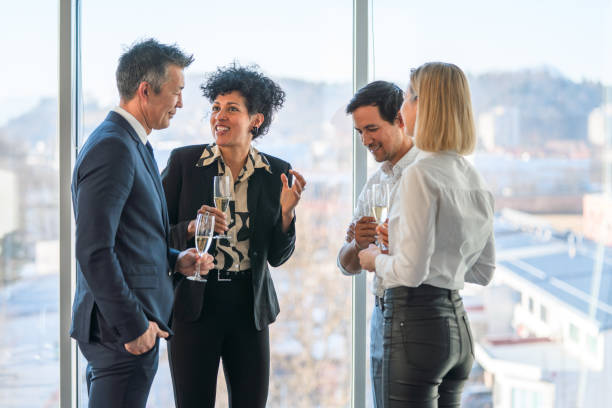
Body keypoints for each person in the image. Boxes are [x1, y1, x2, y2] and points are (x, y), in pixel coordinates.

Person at [71, 39, 213, 408]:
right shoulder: (113, 147)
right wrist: (135, 326)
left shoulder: (132, 143)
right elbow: (93, 249)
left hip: (127, 330)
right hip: (123, 333)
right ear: (145, 91)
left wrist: (173, 259)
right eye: (176, 92)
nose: (181, 103)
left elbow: (129, 238)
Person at [162, 63, 306, 408]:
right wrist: (190, 229)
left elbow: (276, 256)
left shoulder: (276, 173)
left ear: (255, 119)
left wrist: (287, 213)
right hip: (195, 305)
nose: (219, 117)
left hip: (249, 307)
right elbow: (154, 232)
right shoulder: (184, 163)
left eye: (231, 109)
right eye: (215, 108)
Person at [358, 62, 496, 408]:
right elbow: (483, 270)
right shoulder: (473, 177)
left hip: (414, 327)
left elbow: (410, 272)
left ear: (425, 105)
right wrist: (422, 254)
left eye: (407, 97)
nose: (402, 107)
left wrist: (374, 258)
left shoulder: (419, 174)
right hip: (458, 332)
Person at [336, 80, 418, 407]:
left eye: (372, 129)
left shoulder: (425, 174)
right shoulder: (373, 185)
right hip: (382, 315)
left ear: (399, 119)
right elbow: (345, 264)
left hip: (417, 312)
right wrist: (357, 245)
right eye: (359, 132)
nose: (366, 140)